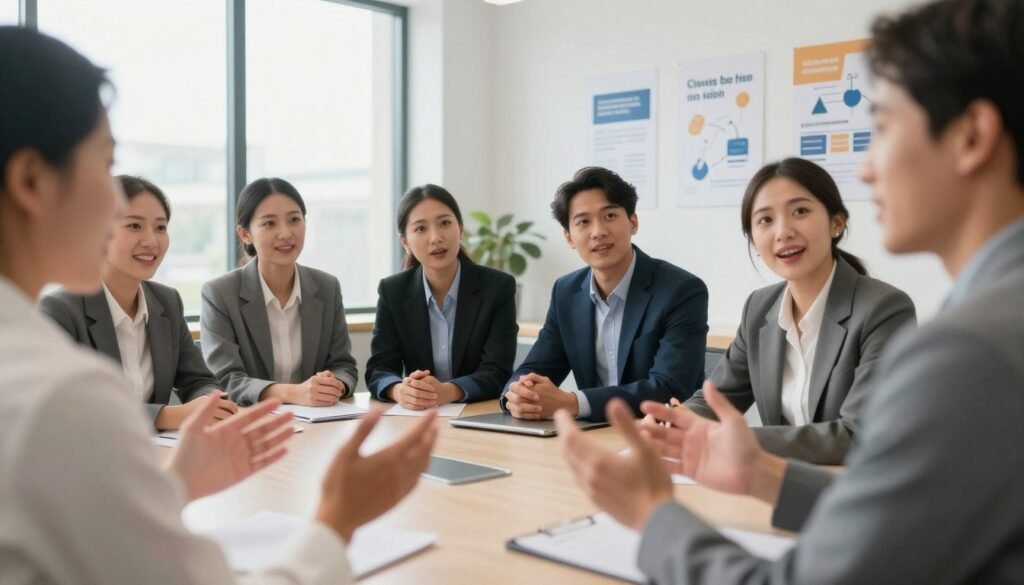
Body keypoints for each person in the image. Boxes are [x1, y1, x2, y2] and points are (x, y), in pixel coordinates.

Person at [556, 0, 1024, 582]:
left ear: (972, 136)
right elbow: (913, 522)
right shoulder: (994, 313)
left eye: (881, 128)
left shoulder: (967, 347)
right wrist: (751, 468)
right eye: (764, 220)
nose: (870, 168)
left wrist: (654, 517)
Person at [0, 26, 437, 584]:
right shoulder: (60, 395)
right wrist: (337, 519)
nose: (118, 208)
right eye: (105, 167)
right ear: (32, 181)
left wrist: (177, 481)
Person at [679, 158, 915, 464]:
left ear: (836, 223)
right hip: (779, 484)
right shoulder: (758, 308)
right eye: (765, 220)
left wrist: (736, 439)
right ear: (753, 240)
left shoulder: (884, 309)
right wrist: (674, 421)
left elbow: (858, 435)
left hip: (858, 490)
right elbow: (716, 399)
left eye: (800, 212)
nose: (783, 232)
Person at [501, 166, 708, 422]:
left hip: (662, 436)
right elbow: (535, 368)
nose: (598, 231)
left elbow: (669, 388)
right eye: (583, 222)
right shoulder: (566, 292)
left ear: (633, 223)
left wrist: (573, 403)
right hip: (595, 435)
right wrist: (517, 394)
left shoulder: (681, 290)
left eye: (609, 216)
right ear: (569, 237)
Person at [39, 175, 237, 430]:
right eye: (134, 226)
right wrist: (170, 416)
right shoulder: (60, 310)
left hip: (158, 453)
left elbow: (197, 379)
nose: (152, 241)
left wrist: (211, 404)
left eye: (161, 227)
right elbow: (70, 407)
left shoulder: (167, 301)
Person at [200, 177, 359, 406]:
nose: (285, 233)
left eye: (294, 220)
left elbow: (343, 366)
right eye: (269, 223)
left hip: (318, 422)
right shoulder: (219, 293)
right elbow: (225, 380)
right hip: (250, 424)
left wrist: (333, 385)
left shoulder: (327, 287)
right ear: (245, 234)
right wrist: (292, 393)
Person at [366, 184, 517, 408]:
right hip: (417, 419)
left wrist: (447, 391)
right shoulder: (393, 291)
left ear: (461, 229)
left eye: (445, 223)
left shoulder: (497, 287)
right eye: (420, 229)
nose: (436, 238)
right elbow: (380, 370)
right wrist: (400, 390)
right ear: (405, 242)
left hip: (479, 415)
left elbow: (497, 371)